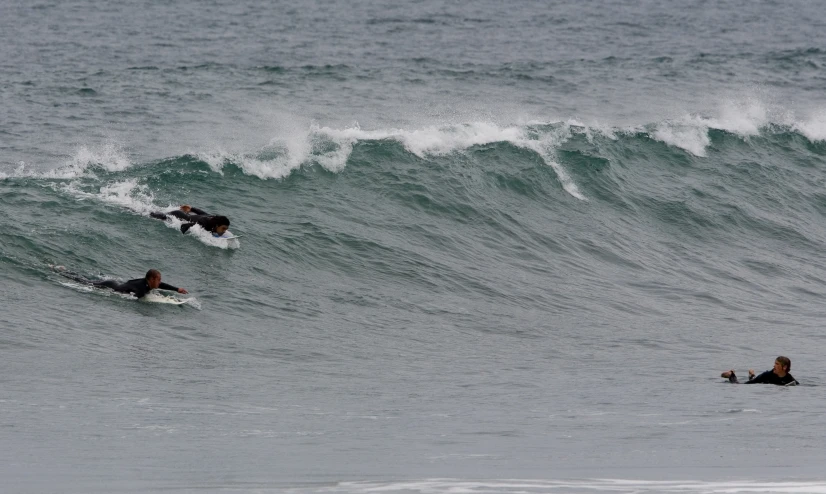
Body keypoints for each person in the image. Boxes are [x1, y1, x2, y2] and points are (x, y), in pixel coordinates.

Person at [57, 267, 188, 299]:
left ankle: (65, 271)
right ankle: (61, 271)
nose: (160, 282)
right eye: (158, 279)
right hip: (110, 286)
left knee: (87, 280)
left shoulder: (146, 283)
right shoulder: (142, 289)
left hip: (114, 283)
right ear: (152, 279)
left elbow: (163, 285)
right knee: (84, 282)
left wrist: (177, 289)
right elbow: (134, 296)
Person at [150, 205, 230, 236]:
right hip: (178, 215)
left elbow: (202, 212)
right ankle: (142, 209)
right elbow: (185, 225)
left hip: (186, 214)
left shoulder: (212, 218)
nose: (225, 231)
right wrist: (181, 235)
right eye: (223, 228)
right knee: (154, 215)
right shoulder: (203, 224)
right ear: (216, 225)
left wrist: (191, 208)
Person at [721, 356, 799, 386]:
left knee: (754, 379)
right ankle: (732, 374)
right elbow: (746, 385)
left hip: (762, 380)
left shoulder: (790, 379)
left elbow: (798, 386)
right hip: (761, 379)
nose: (774, 366)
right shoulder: (767, 374)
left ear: (784, 367)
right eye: (774, 363)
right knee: (741, 383)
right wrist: (733, 378)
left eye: (777, 364)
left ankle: (752, 374)